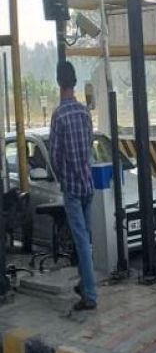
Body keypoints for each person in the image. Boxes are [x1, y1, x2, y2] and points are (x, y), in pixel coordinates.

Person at [49, 61, 97, 312]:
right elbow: (90, 146)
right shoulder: (84, 112)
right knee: (86, 240)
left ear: (59, 83)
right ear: (75, 81)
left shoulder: (59, 115)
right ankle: (85, 282)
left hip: (72, 189)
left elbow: (55, 155)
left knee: (81, 242)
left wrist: (63, 178)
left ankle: (90, 294)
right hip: (88, 185)